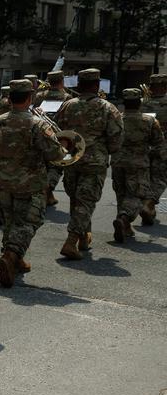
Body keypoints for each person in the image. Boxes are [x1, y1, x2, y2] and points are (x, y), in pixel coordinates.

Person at [0, 80, 67, 287]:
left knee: (10, 221)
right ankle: (11, 254)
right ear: (30, 98)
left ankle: (15, 259)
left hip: (4, 182)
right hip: (30, 184)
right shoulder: (38, 124)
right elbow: (56, 154)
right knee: (30, 221)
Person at [55, 68, 123, 260]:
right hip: (95, 161)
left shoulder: (67, 105)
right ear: (97, 85)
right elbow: (116, 138)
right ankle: (71, 241)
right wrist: (106, 150)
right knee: (86, 201)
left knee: (77, 200)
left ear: (79, 85)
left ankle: (84, 237)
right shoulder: (108, 108)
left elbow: (58, 131)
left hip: (72, 158)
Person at [111, 88, 166, 243]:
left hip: (117, 162)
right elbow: (159, 144)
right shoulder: (149, 121)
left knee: (121, 193)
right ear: (140, 102)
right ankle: (123, 218)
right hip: (138, 163)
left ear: (124, 103)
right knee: (137, 195)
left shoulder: (116, 119)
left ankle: (125, 226)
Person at [38, 71, 72, 206]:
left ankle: (49, 196)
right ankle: (47, 190)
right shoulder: (67, 97)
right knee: (57, 166)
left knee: (43, 164)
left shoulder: (39, 96)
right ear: (62, 81)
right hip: (59, 135)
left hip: (41, 133)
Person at [141, 73, 167, 224]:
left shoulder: (143, 104)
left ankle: (149, 211)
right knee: (161, 178)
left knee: (148, 178)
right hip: (163, 146)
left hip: (145, 146)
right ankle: (149, 204)